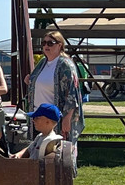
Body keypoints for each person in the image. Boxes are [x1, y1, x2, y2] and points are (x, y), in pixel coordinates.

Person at [25, 30, 83, 162]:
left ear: (60, 45)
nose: (46, 46)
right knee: (39, 150)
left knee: (59, 153)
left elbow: (72, 93)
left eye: (50, 43)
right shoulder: (43, 63)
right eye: (44, 43)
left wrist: (67, 118)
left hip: (56, 118)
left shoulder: (66, 65)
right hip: (39, 115)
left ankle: (63, 178)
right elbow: (35, 80)